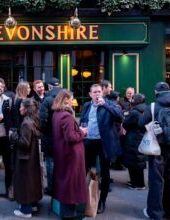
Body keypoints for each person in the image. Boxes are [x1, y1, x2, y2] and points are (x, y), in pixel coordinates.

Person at [139, 82, 170, 220]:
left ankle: (156, 213)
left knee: (156, 181)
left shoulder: (152, 106)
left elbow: (141, 124)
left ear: (156, 93)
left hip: (157, 149)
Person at [79, 84, 123, 214]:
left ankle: (102, 201)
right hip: (89, 142)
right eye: (95, 92)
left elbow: (119, 118)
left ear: (102, 93)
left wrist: (105, 105)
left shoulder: (110, 104)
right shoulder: (87, 106)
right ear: (90, 94)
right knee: (88, 170)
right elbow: (83, 120)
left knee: (105, 172)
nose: (97, 94)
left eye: (99, 91)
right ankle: (87, 197)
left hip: (104, 143)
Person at [52, 90, 87, 219]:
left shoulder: (57, 114)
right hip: (71, 155)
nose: (73, 101)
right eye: (72, 98)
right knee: (71, 185)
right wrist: (83, 132)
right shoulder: (66, 116)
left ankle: (66, 213)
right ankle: (69, 215)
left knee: (65, 183)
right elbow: (71, 137)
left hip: (62, 154)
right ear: (66, 99)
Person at [10, 98, 42, 218]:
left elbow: (24, 143)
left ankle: (25, 210)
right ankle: (32, 205)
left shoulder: (26, 123)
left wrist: (13, 136)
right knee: (32, 181)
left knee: (25, 183)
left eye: (21, 106)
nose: (19, 108)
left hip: (25, 158)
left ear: (26, 108)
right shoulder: (33, 121)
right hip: (32, 157)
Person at [39, 77, 62, 195]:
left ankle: (51, 187)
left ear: (49, 87)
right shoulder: (65, 97)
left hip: (49, 135)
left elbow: (42, 119)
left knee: (49, 161)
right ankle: (60, 187)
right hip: (63, 135)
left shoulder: (47, 99)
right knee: (61, 161)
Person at [122, 93, 147, 190]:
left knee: (133, 161)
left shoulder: (134, 112)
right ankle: (139, 183)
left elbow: (126, 124)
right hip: (141, 137)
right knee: (139, 161)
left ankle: (136, 184)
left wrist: (125, 121)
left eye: (133, 98)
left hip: (133, 138)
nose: (131, 100)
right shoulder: (146, 109)